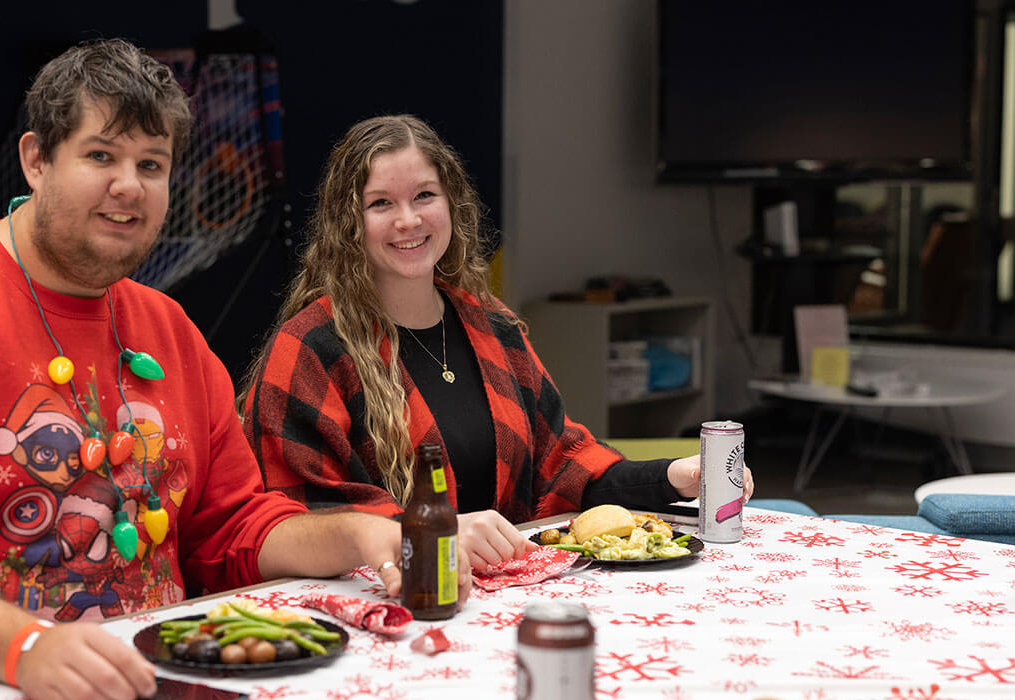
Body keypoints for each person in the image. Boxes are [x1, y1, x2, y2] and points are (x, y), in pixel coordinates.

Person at [0, 42, 464, 700]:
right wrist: (26, 647)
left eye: (152, 165)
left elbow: (233, 528)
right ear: (35, 161)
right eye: (101, 155)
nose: (130, 186)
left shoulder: (169, 331)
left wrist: (365, 537)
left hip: (112, 684)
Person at [241, 115, 752, 568]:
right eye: (380, 203)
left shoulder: (493, 327)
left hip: (497, 597)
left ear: (451, 203)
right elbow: (296, 521)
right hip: (381, 605)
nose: (408, 220)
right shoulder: (310, 346)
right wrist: (430, 537)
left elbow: (563, 468)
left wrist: (673, 478)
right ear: (348, 224)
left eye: (424, 195)